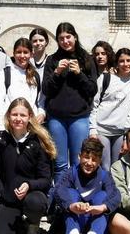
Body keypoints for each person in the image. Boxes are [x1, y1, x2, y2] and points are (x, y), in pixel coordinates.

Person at [0, 98, 56, 234]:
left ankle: (32, 225)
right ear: (8, 116)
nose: (18, 118)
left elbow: (46, 180)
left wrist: (29, 185)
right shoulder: (0, 140)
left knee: (35, 203)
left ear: (30, 117)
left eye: (22, 115)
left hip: (32, 197)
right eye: (14, 114)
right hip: (8, 201)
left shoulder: (38, 143)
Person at [43, 22, 98, 173]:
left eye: (68, 37)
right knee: (59, 163)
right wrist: (57, 73)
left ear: (75, 37)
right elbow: (46, 89)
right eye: (61, 38)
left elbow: (92, 90)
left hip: (79, 117)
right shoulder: (52, 60)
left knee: (77, 161)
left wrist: (79, 74)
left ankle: (76, 194)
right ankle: (61, 195)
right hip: (56, 118)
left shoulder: (87, 59)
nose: (65, 41)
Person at [54, 137, 121, 234]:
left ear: (99, 161)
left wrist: (102, 207)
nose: (89, 163)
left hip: (95, 217)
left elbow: (116, 194)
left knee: (102, 196)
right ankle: (73, 231)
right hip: (75, 216)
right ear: (79, 156)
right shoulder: (71, 173)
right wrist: (71, 206)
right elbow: (58, 189)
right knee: (71, 193)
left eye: (94, 159)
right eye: (86, 157)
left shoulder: (104, 176)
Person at [90, 47, 130, 170]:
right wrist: (93, 130)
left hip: (119, 133)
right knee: (105, 166)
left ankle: (115, 189)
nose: (126, 64)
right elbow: (94, 105)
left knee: (117, 166)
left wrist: (126, 137)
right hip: (102, 130)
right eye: (122, 61)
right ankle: (105, 189)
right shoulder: (105, 79)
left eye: (129, 60)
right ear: (117, 63)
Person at [0, 37, 46, 131]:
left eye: (25, 52)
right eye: (18, 52)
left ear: (31, 54)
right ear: (13, 53)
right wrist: (0, 127)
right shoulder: (5, 74)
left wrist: (41, 113)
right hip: (9, 126)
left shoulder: (35, 75)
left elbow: (40, 100)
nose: (22, 56)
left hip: (30, 127)